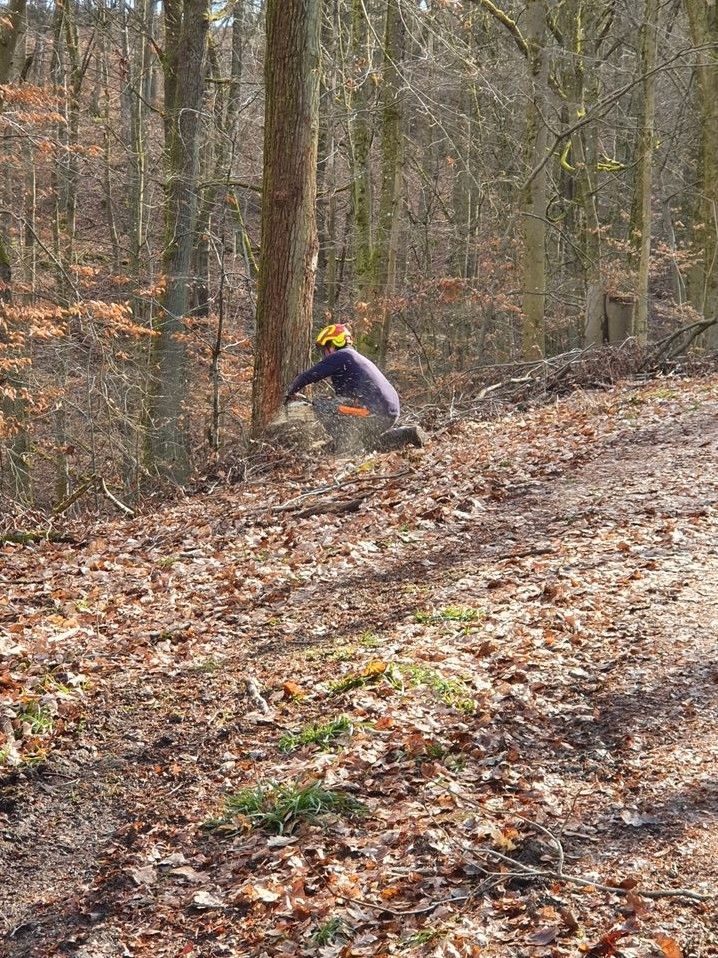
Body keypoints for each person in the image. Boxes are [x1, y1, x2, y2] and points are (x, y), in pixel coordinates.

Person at [284, 323, 404, 453]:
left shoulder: (342, 356)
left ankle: (345, 446)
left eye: (325, 348)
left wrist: (289, 394)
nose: (324, 353)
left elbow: (308, 376)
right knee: (338, 405)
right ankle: (355, 444)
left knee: (322, 405)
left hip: (376, 414)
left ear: (332, 344)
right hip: (388, 414)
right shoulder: (354, 358)